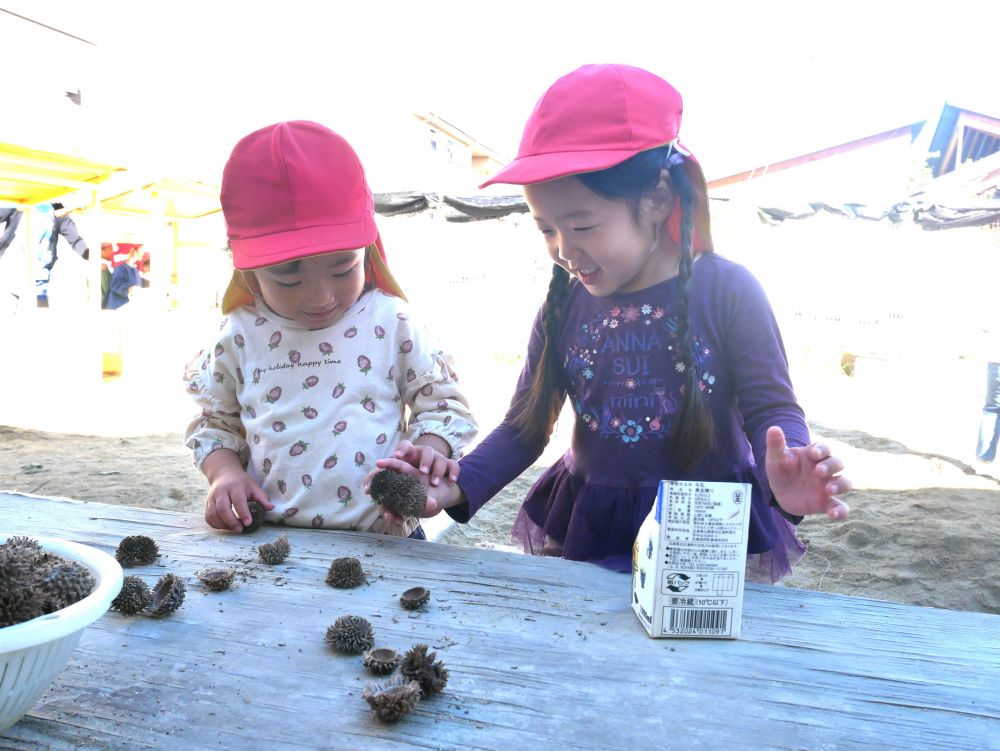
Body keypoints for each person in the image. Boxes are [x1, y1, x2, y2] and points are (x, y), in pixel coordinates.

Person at [373, 64, 851, 581]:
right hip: (594, 525)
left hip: (709, 526)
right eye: (547, 229)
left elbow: (772, 408)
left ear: (657, 199)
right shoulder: (563, 309)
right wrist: (455, 485)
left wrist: (788, 468)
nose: (563, 249)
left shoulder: (729, 292)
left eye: (582, 225)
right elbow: (524, 428)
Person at [184, 121, 478, 536]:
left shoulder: (390, 321)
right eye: (288, 279)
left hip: (384, 535)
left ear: (368, 250)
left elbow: (443, 406)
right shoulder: (239, 334)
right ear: (247, 269)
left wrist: (429, 454)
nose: (320, 296)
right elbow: (217, 424)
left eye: (343, 268)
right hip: (270, 539)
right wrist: (224, 475)